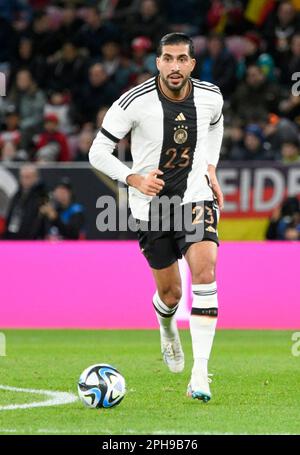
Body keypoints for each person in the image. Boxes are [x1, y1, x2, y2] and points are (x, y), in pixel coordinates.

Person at [89, 33, 224, 403]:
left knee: (205, 272)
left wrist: (210, 166)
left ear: (192, 64)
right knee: (171, 294)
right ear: (158, 63)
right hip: (152, 208)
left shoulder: (211, 96)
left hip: (195, 197)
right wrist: (133, 177)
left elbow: (216, 125)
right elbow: (97, 152)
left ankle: (200, 374)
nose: (175, 66)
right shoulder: (134, 101)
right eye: (168, 59)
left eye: (182, 59)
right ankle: (167, 326)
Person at [3, 163, 47, 239]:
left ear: (36, 178)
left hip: (30, 240)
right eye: (22, 177)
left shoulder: (42, 195)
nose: (24, 180)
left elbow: (41, 221)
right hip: (13, 237)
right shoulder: (17, 194)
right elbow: (10, 215)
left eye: (28, 177)